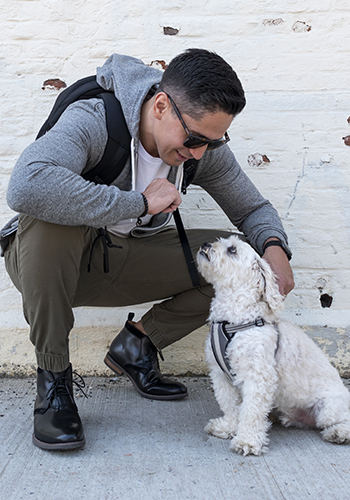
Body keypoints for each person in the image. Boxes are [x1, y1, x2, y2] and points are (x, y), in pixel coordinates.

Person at [4, 48, 294, 451]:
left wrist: (274, 248)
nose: (198, 153)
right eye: (193, 139)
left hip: (124, 260)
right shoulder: (95, 120)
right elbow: (26, 185)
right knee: (48, 218)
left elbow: (252, 207)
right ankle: (54, 382)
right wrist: (138, 203)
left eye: (213, 141)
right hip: (47, 265)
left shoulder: (201, 149)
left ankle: (138, 346)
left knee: (239, 260)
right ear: (161, 105)